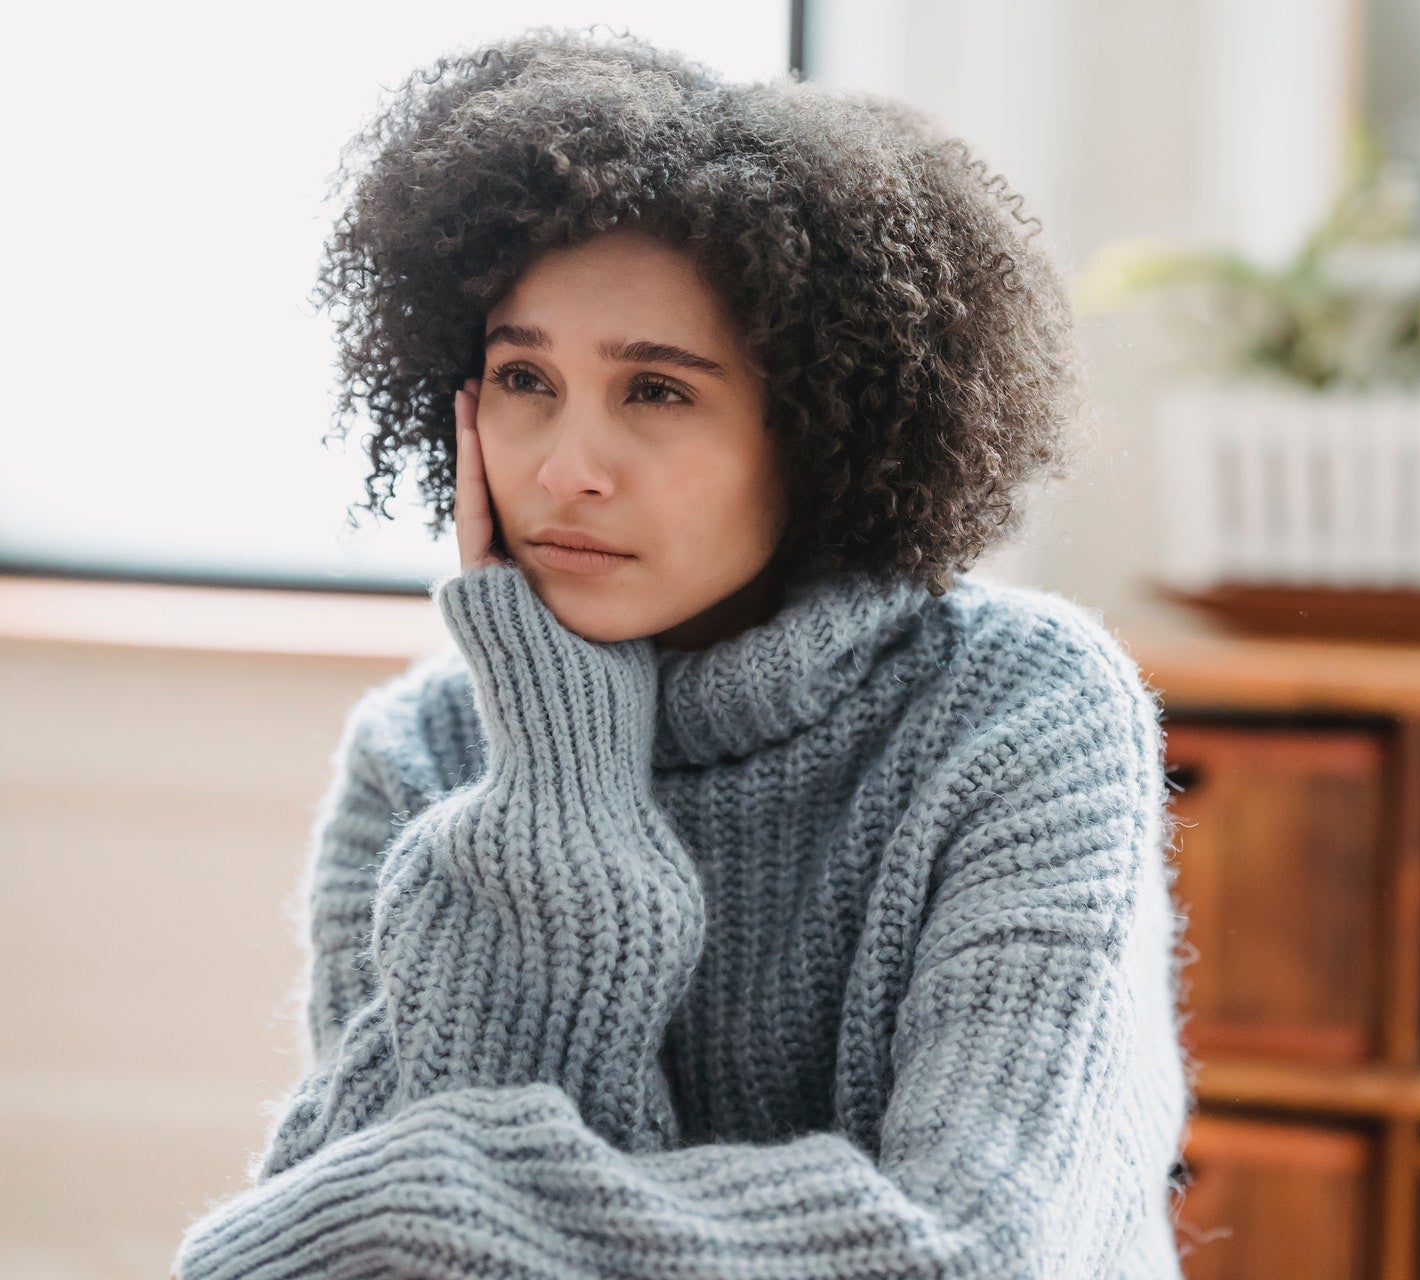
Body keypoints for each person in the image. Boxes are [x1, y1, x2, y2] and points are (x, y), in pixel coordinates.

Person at [171, 23, 1196, 1280]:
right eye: (522, 377)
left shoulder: (1024, 712)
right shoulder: (421, 752)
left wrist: (430, 1191)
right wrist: (558, 773)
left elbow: (971, 1250)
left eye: (656, 390)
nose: (564, 467)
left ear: (819, 425)